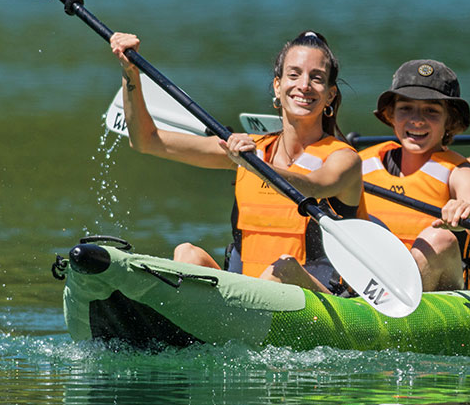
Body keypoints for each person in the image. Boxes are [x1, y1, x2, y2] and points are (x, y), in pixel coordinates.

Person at [110, 29, 363, 292]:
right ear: (278, 85)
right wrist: (130, 72)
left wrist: (254, 164)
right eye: (294, 74)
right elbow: (146, 140)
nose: (304, 85)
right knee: (187, 254)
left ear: (330, 95)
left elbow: (312, 187)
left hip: (318, 301)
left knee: (284, 268)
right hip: (244, 299)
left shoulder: (344, 158)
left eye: (317, 78)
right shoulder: (248, 149)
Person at [359, 59, 470, 291]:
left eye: (431, 111)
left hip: (436, 293)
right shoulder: (360, 163)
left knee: (440, 239)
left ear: (450, 121)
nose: (417, 119)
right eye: (405, 108)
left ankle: (392, 304)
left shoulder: (459, 171)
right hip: (363, 284)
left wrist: (469, 212)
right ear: (390, 115)